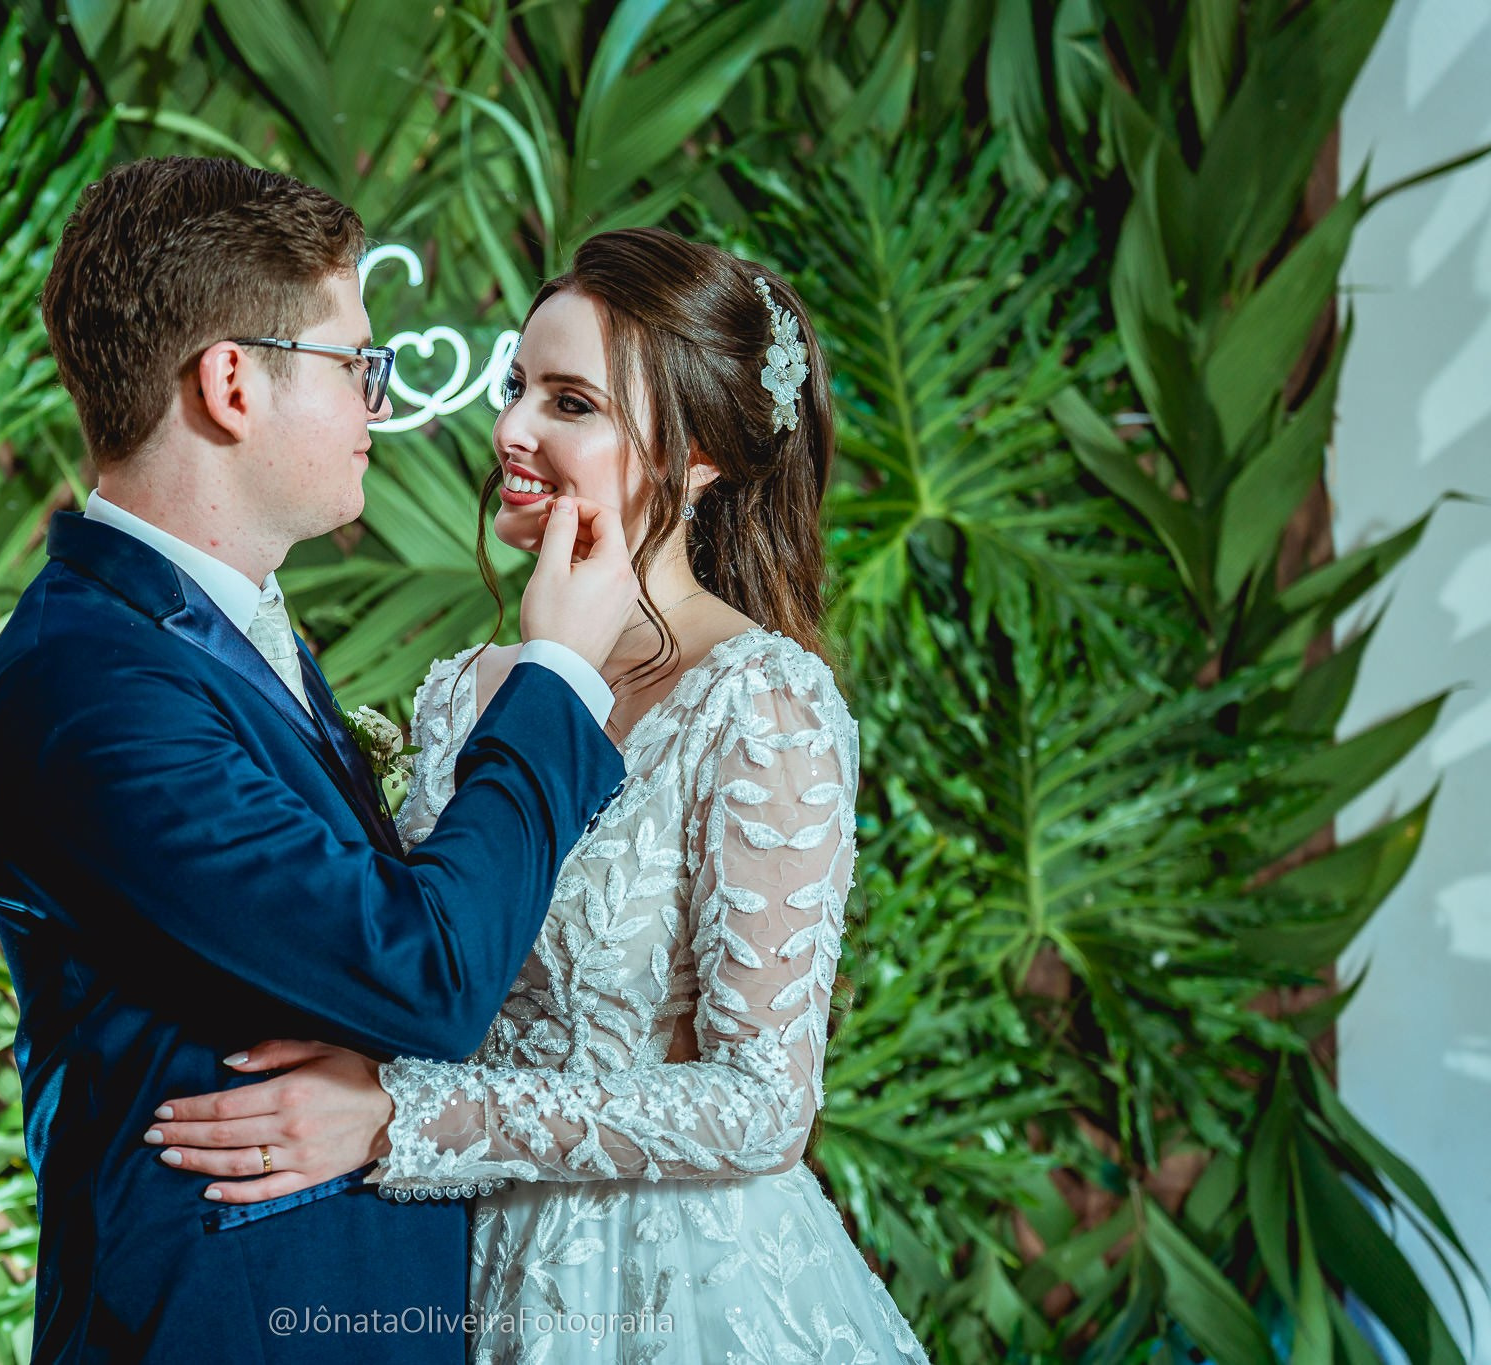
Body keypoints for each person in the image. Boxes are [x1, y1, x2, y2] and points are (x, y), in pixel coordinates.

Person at [149, 227, 932, 1362]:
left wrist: (401, 1118)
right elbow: (429, 968)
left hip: (676, 1291)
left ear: (699, 454)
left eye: (570, 402)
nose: (509, 428)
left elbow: (764, 1103)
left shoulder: (760, 700)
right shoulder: (465, 694)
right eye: (517, 386)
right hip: (453, 1274)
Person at [0, 157, 641, 1364]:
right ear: (231, 383)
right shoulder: (89, 690)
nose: (378, 401)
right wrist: (558, 677)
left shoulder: (202, 627)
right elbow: (422, 972)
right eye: (355, 364)